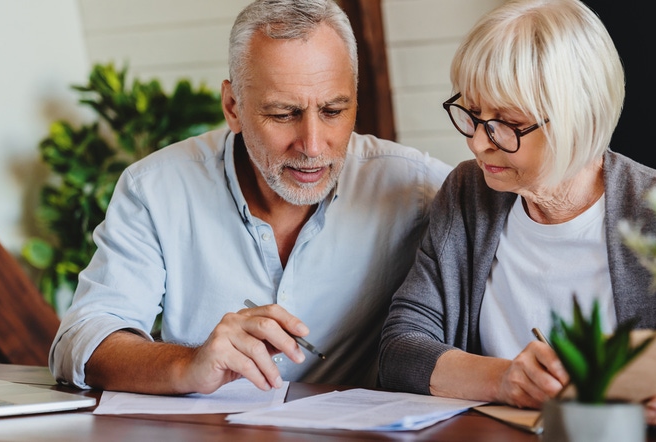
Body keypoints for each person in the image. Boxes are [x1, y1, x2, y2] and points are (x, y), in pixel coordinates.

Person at [377, 0, 656, 427]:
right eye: (474, 115)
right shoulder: (467, 194)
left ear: (578, 119)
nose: (479, 143)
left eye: (506, 123)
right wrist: (503, 379)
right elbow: (400, 350)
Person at [49, 0, 451, 395]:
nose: (312, 145)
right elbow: (81, 340)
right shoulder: (155, 188)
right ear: (232, 106)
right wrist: (187, 365)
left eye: (332, 110)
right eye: (282, 114)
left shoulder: (416, 189)